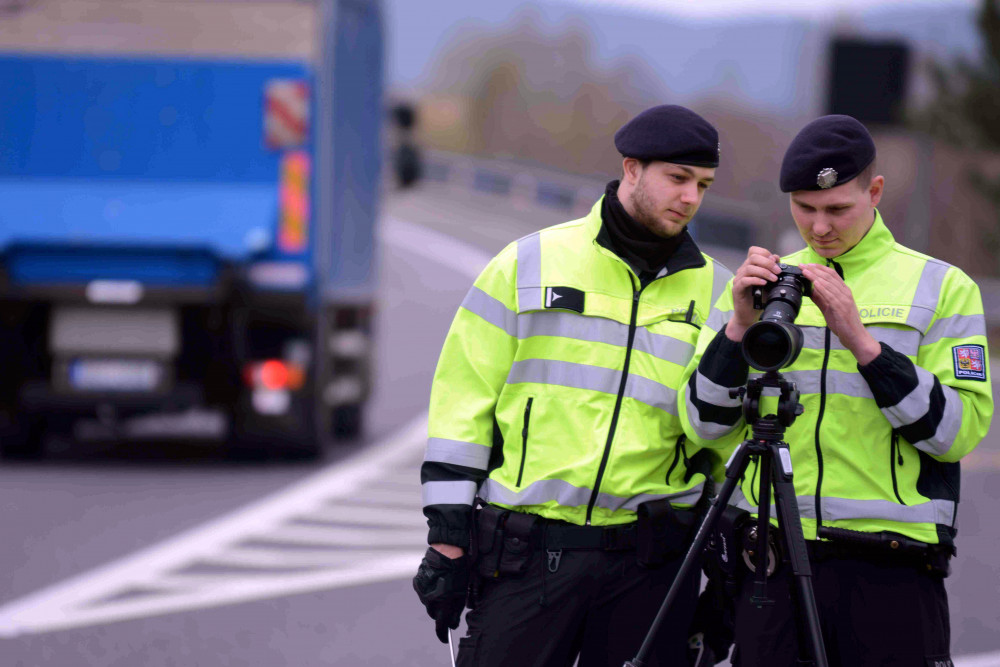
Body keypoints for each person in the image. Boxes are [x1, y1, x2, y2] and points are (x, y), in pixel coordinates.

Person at [412, 104, 735, 667]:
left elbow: (725, 443)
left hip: (652, 567)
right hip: (528, 557)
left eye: (703, 185)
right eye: (678, 179)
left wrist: (727, 578)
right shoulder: (528, 263)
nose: (691, 198)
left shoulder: (720, 295)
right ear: (631, 170)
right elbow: (462, 406)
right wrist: (447, 537)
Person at [680, 114, 994, 666]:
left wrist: (861, 340)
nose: (819, 228)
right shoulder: (765, 284)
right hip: (771, 566)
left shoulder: (942, 288)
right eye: (804, 209)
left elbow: (956, 435)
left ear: (874, 192)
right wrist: (736, 329)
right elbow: (703, 423)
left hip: (889, 572)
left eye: (836, 209)